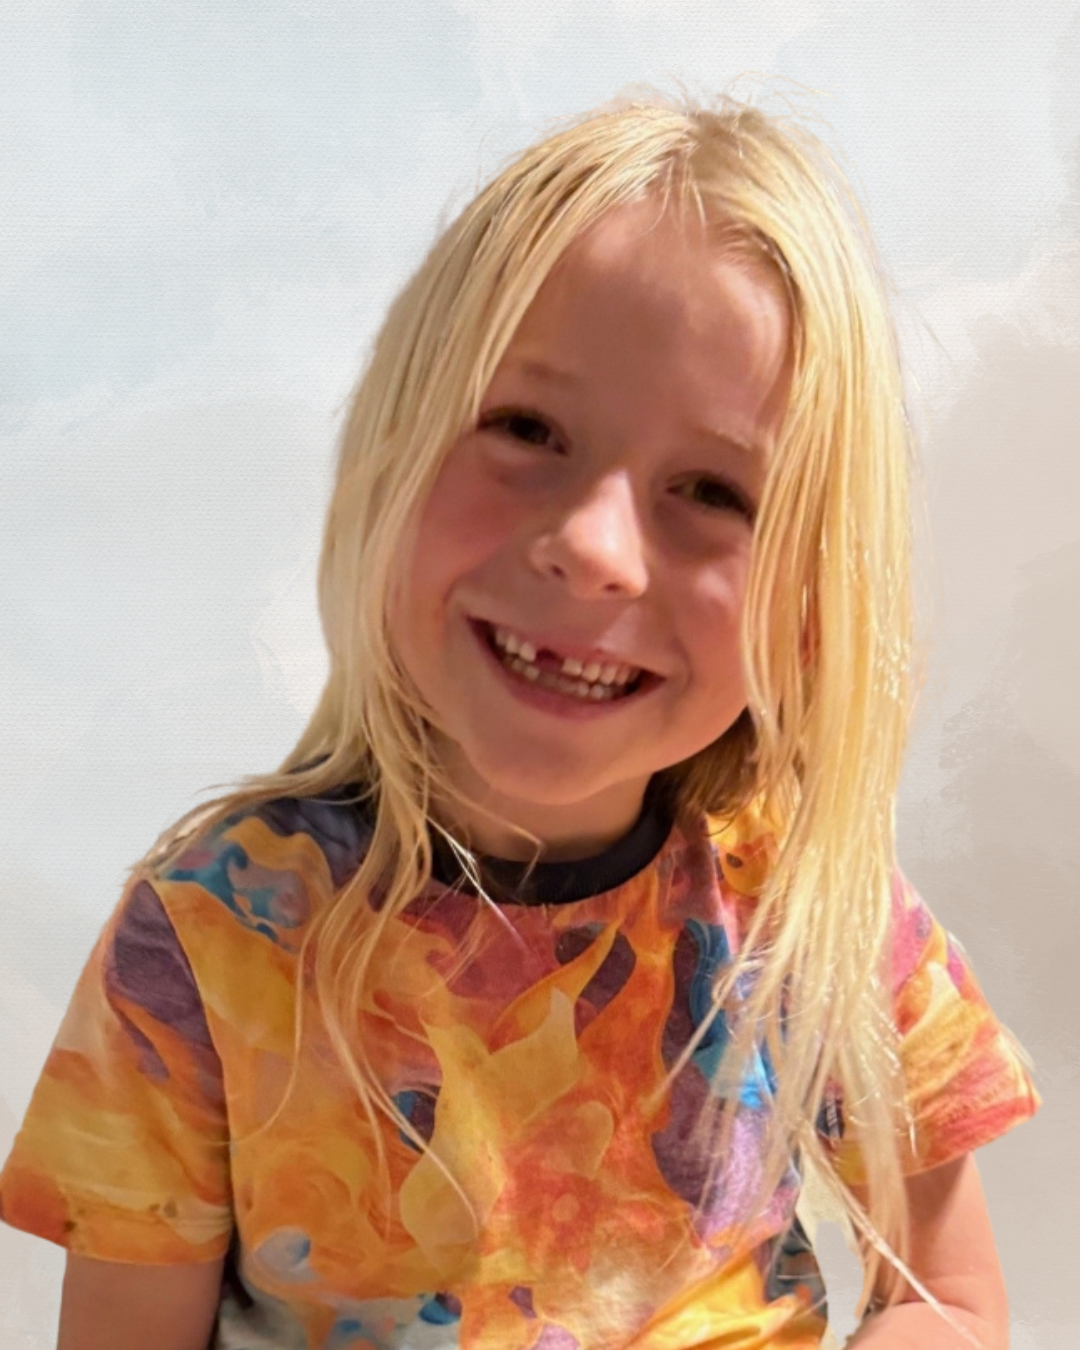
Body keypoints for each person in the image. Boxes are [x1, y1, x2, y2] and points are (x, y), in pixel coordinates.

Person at [0, 90, 1038, 1350]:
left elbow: (955, 1303)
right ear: (389, 454)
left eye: (711, 491)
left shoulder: (814, 911)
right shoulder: (211, 935)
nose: (596, 548)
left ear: (811, 609)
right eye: (526, 430)